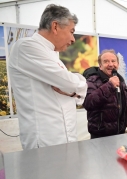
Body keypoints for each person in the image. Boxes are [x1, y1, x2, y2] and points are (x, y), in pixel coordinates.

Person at [8, 4, 87, 150]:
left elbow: (71, 84)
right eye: (71, 31)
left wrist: (75, 85)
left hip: (66, 139)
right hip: (45, 141)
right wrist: (76, 84)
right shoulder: (26, 47)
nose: (73, 39)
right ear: (55, 26)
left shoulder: (53, 54)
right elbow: (70, 83)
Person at [82, 50, 127, 138]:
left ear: (118, 64)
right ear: (100, 66)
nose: (110, 64)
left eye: (113, 61)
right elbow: (88, 103)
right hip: (100, 134)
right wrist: (109, 85)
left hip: (119, 132)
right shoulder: (92, 80)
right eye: (106, 61)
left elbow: (123, 104)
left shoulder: (120, 80)